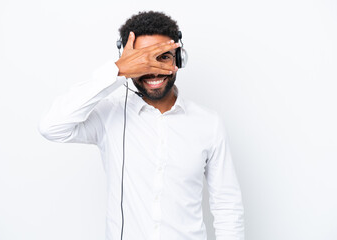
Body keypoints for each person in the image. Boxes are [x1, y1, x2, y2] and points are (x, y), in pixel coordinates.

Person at [38, 10, 244, 240]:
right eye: (141, 60)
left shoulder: (209, 123)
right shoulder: (108, 116)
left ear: (178, 59)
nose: (153, 69)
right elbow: (51, 126)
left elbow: (227, 206)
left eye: (163, 56)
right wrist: (117, 70)